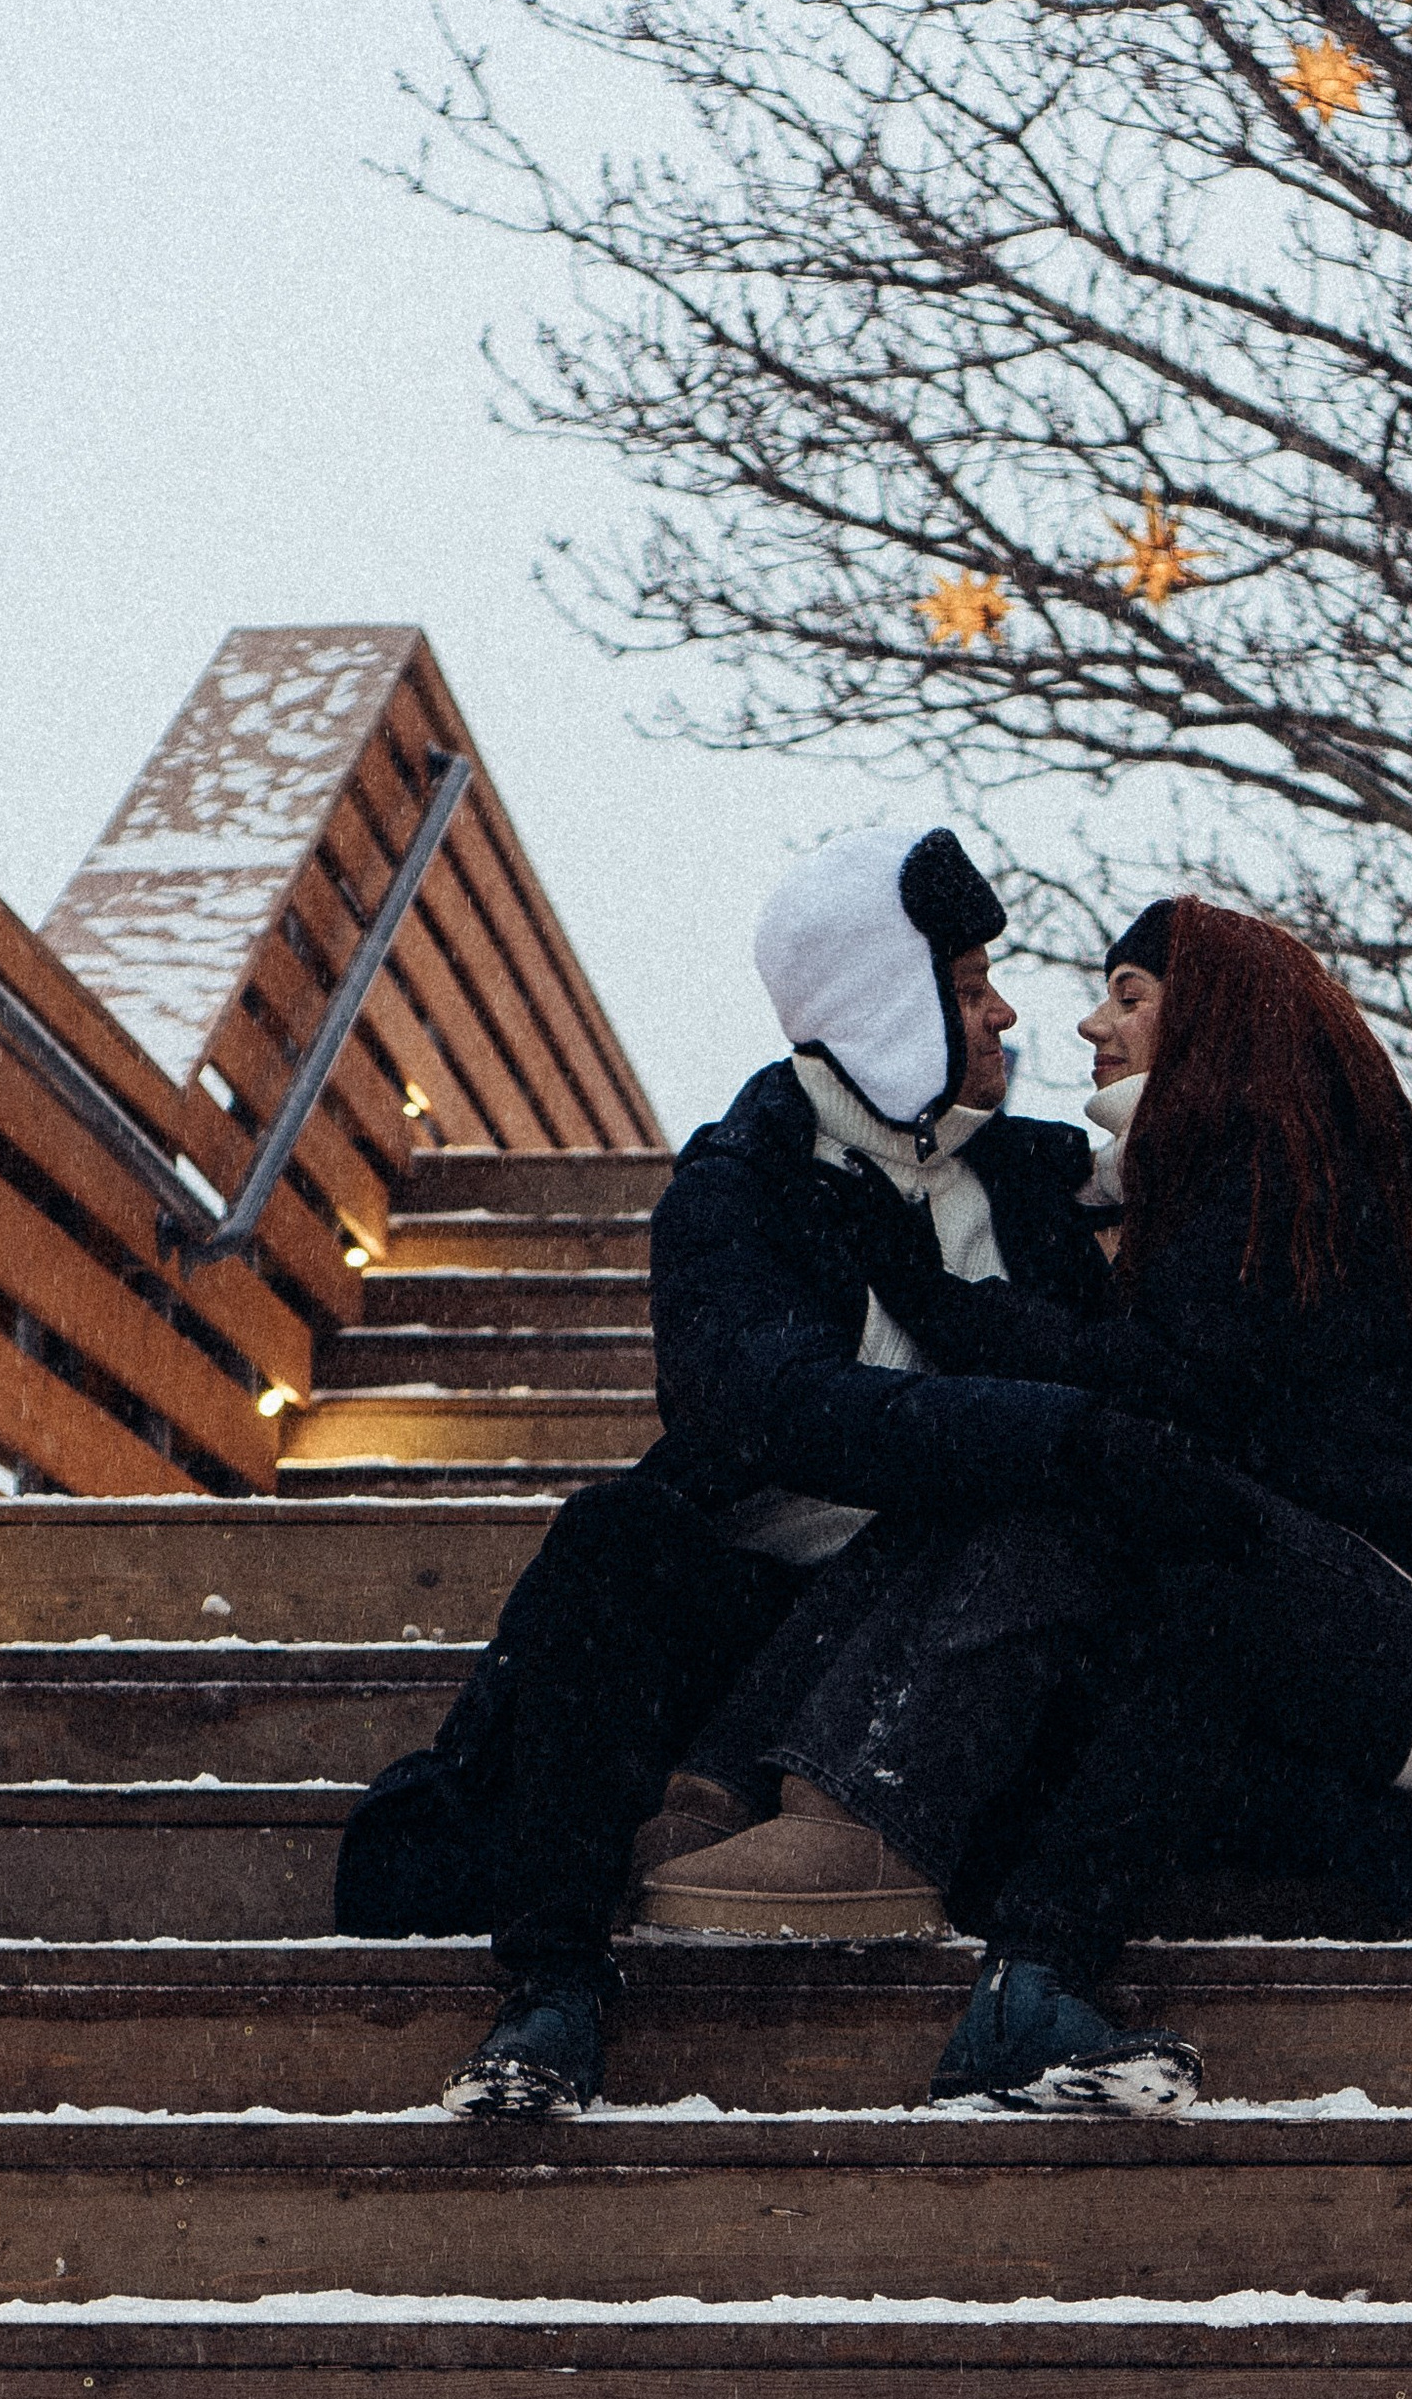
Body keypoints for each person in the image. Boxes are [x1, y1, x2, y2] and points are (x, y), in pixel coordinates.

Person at [336, 822, 1245, 2118]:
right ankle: (549, 1994)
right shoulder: (740, 1183)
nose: (1005, 1013)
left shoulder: (1036, 1182)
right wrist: (1050, 1430)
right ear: (892, 1005)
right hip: (755, 1618)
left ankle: (1033, 1982)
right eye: (970, 983)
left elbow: (1209, 1213)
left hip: (969, 1636)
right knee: (613, 1538)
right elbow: (766, 1406)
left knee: (1141, 1548)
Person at [667, 892, 1412, 2114]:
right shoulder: (1179, 1184)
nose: (1089, 1023)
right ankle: (747, 1792)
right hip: (1293, 1612)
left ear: (1217, 1019)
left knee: (1071, 1478)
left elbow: (1169, 1388)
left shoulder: (1281, 1169)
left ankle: (909, 1861)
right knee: (1051, 1523)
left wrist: (932, 1294)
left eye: (1130, 997)